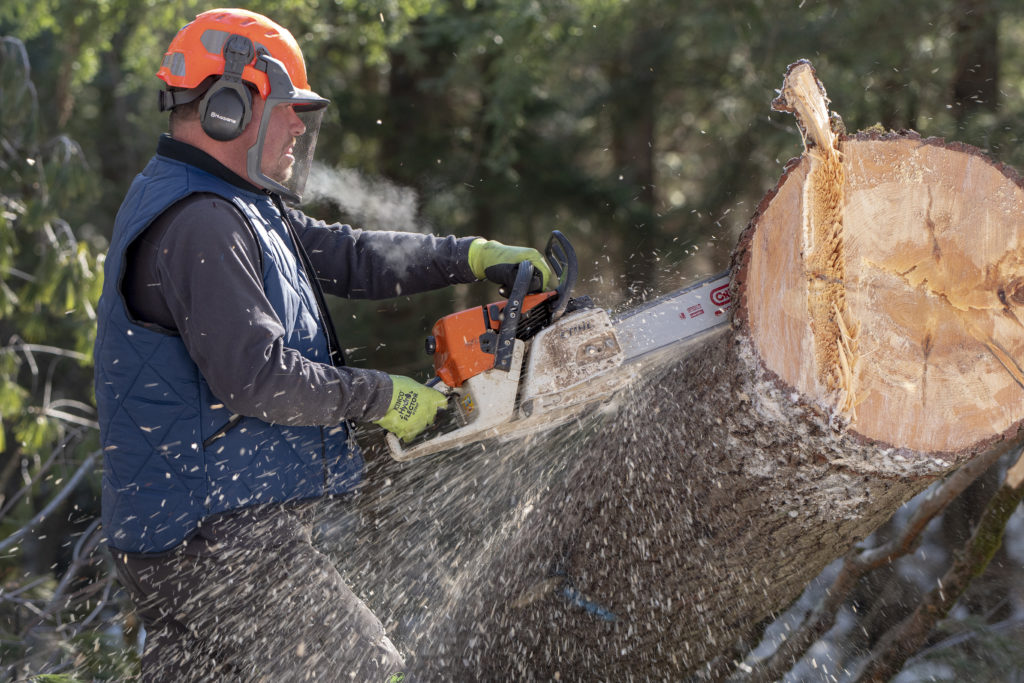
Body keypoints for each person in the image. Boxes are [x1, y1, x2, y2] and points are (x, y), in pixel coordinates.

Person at [93, 8, 554, 681]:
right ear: (230, 106)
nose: (299, 125)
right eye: (288, 107)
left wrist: (472, 257)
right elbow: (257, 377)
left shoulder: (234, 202)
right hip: (214, 536)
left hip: (192, 530)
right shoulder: (201, 224)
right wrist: (381, 396)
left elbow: (349, 256)